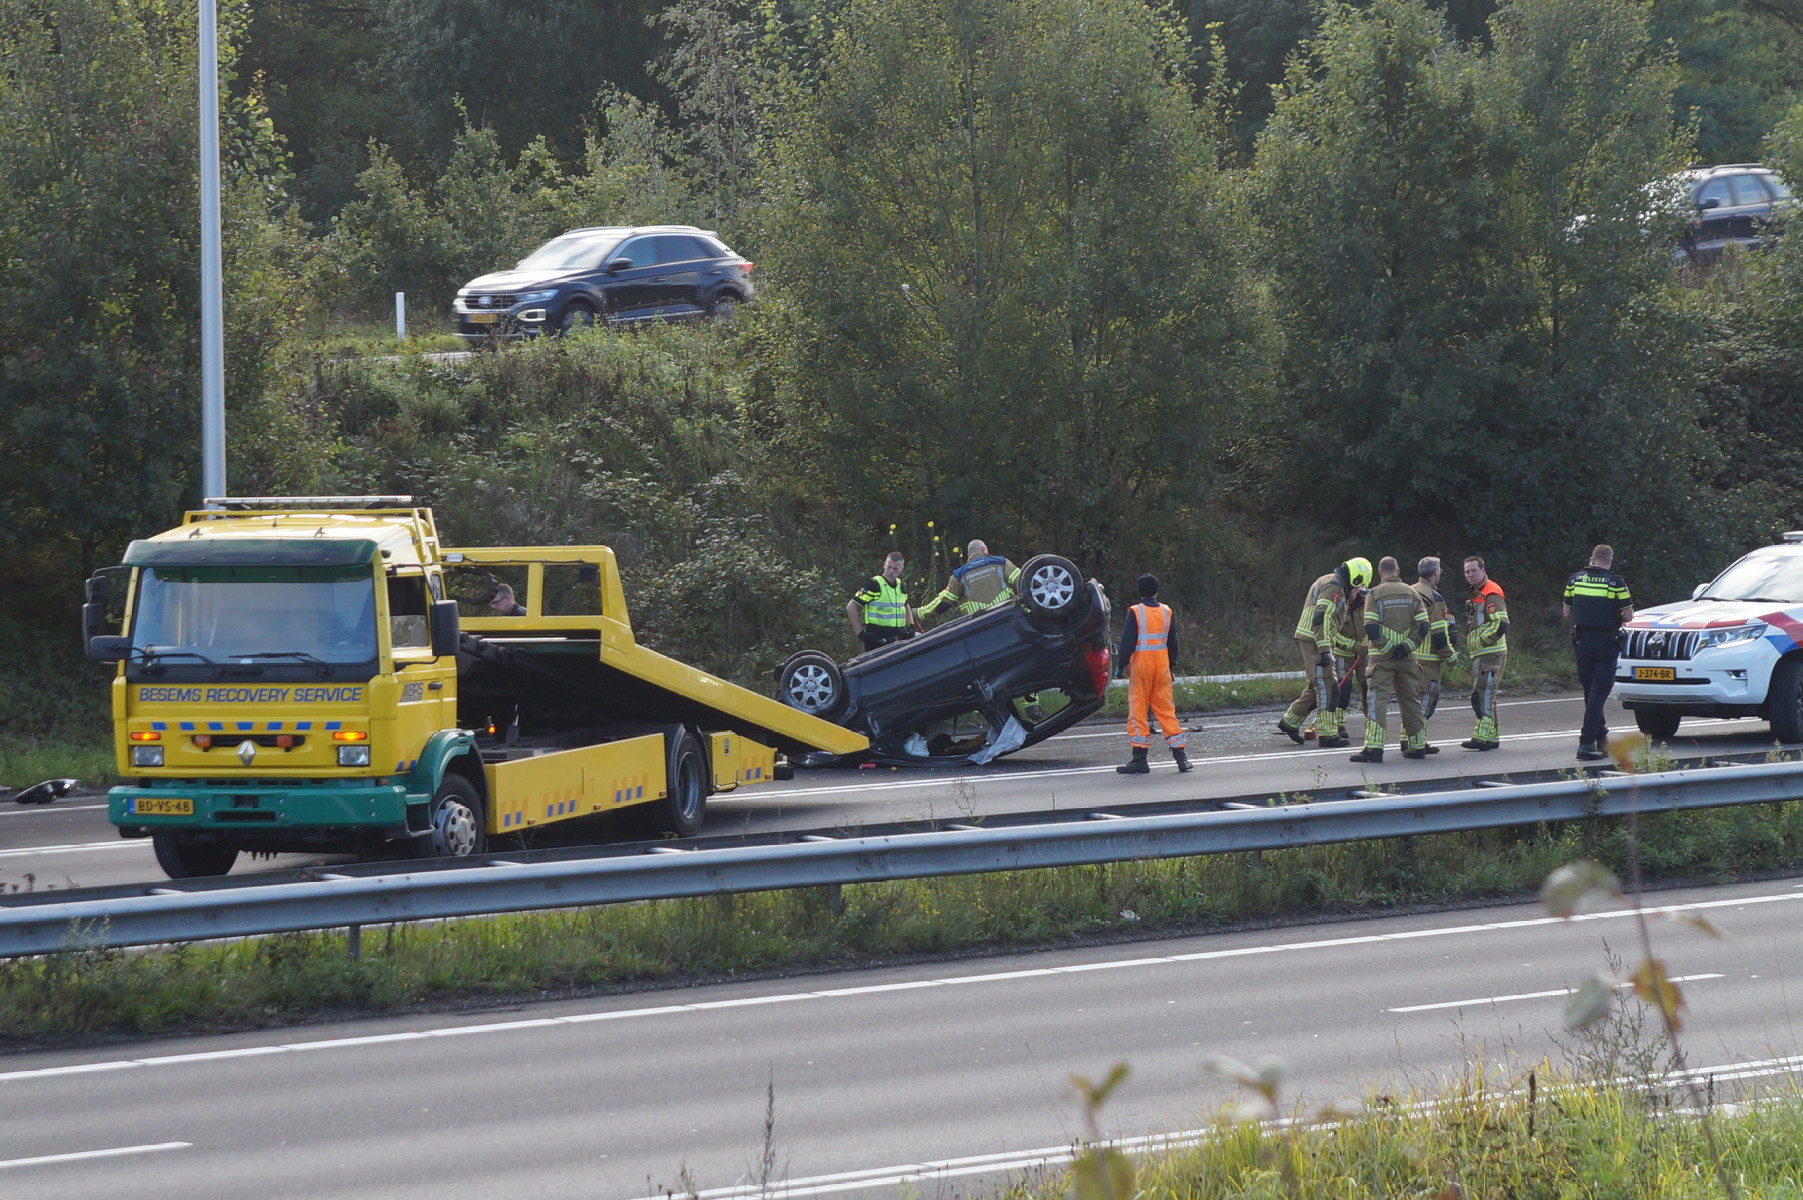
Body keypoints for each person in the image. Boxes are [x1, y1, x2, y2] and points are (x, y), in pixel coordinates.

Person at [1277, 557, 1373, 749]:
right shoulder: (1334, 587)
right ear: (1355, 579)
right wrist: (1324, 650)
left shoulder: (1334, 583)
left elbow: (1329, 626)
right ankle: (1328, 735)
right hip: (1315, 640)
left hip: (1313, 638)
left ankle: (1289, 721)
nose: (1357, 593)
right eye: (1358, 588)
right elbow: (1321, 617)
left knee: (1316, 686)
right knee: (1328, 687)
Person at [1351, 557, 1430, 763]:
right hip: (1408, 658)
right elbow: (1423, 626)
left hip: (1381, 659)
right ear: (1398, 570)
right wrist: (1406, 647)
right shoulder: (1412, 593)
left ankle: (1374, 749)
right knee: (1411, 701)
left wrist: (1387, 649)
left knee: (1378, 700)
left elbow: (1371, 627)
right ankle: (1417, 746)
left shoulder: (1375, 594)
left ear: (1380, 572)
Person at [1564, 544, 1635, 761]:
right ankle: (1586, 743)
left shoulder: (1574, 580)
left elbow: (1567, 612)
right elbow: (1629, 616)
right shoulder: (1616, 583)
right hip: (1606, 642)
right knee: (1599, 693)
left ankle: (1602, 740)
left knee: (1591, 692)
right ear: (1609, 561)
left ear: (1591, 558)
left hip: (1582, 641)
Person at [1116, 574, 1190, 774]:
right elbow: (1173, 643)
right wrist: (1171, 665)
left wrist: (1121, 664)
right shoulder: (1167, 611)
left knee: (1138, 709)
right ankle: (1181, 758)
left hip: (1141, 666)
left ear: (1139, 591)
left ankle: (1140, 759)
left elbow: (1127, 643)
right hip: (1162, 666)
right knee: (1166, 710)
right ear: (1157, 591)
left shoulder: (1135, 612)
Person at [1462, 555, 1509, 750]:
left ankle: (1484, 738)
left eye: (1474, 570)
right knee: (1485, 693)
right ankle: (1490, 735)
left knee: (1483, 694)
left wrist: (1481, 640)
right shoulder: (1478, 593)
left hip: (1490, 653)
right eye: (1467, 572)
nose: (1470, 575)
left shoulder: (1491, 592)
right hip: (1484, 653)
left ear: (1483, 570)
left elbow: (1501, 623)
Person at [1410, 556, 1456, 748]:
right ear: (1435, 573)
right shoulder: (1434, 598)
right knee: (1426, 701)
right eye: (1440, 571)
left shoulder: (1409, 591)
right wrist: (1451, 657)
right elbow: (1438, 634)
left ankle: (1408, 739)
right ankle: (1417, 742)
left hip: (1408, 656)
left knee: (1410, 701)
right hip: (1428, 660)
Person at [918, 540, 1020, 620]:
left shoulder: (959, 575)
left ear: (968, 555)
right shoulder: (1002, 563)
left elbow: (944, 603)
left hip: (977, 625)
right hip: (1007, 616)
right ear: (984, 549)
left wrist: (918, 613)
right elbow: (1023, 581)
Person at [847, 551, 917, 650]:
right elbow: (851, 607)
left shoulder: (900, 585)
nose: (891, 571)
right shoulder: (874, 584)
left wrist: (911, 625)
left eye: (895, 568)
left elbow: (905, 605)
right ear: (884, 565)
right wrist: (861, 634)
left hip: (898, 638)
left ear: (901, 569)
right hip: (877, 638)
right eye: (889, 567)